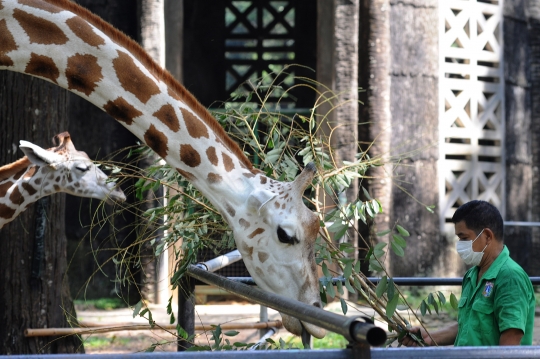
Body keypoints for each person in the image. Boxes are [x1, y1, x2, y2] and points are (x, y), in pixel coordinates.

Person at [401, 200, 535, 346]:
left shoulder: (510, 277)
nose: (460, 245)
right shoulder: (472, 275)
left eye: (464, 238)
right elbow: (468, 325)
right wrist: (428, 337)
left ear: (487, 236)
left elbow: (511, 341)